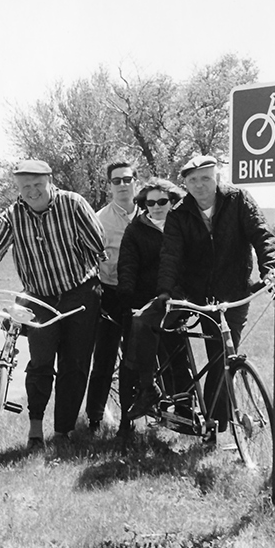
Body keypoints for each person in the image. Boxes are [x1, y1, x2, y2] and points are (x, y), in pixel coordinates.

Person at [0, 159, 106, 448]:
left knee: (75, 364)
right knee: (40, 362)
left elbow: (98, 245)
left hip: (79, 293)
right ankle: (35, 428)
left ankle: (63, 431)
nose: (32, 191)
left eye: (38, 184)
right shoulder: (12, 216)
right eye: (25, 186)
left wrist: (94, 271)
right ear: (18, 188)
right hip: (38, 295)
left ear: (50, 181)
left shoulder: (73, 205)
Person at [152, 154, 275, 437]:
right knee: (213, 354)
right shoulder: (179, 213)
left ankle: (216, 426)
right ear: (185, 183)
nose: (200, 185)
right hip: (198, 295)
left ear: (217, 177)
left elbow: (262, 235)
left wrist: (270, 270)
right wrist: (165, 291)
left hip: (233, 292)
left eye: (206, 178)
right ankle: (208, 420)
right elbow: (170, 255)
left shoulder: (238, 200)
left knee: (224, 355)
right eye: (193, 180)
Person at [117, 178, 186, 420]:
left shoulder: (184, 224)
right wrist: (126, 294)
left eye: (162, 201)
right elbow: (127, 264)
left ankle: (185, 410)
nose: (156, 207)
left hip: (179, 296)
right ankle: (144, 394)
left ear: (173, 201)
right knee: (137, 344)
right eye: (150, 202)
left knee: (178, 356)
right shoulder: (136, 229)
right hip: (147, 297)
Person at [86, 160, 139, 433]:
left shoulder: (149, 213)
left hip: (140, 297)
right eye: (116, 181)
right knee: (104, 359)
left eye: (127, 179)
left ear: (135, 182)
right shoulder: (98, 219)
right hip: (109, 295)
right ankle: (94, 417)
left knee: (136, 359)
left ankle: (131, 417)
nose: (122, 185)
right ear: (109, 186)